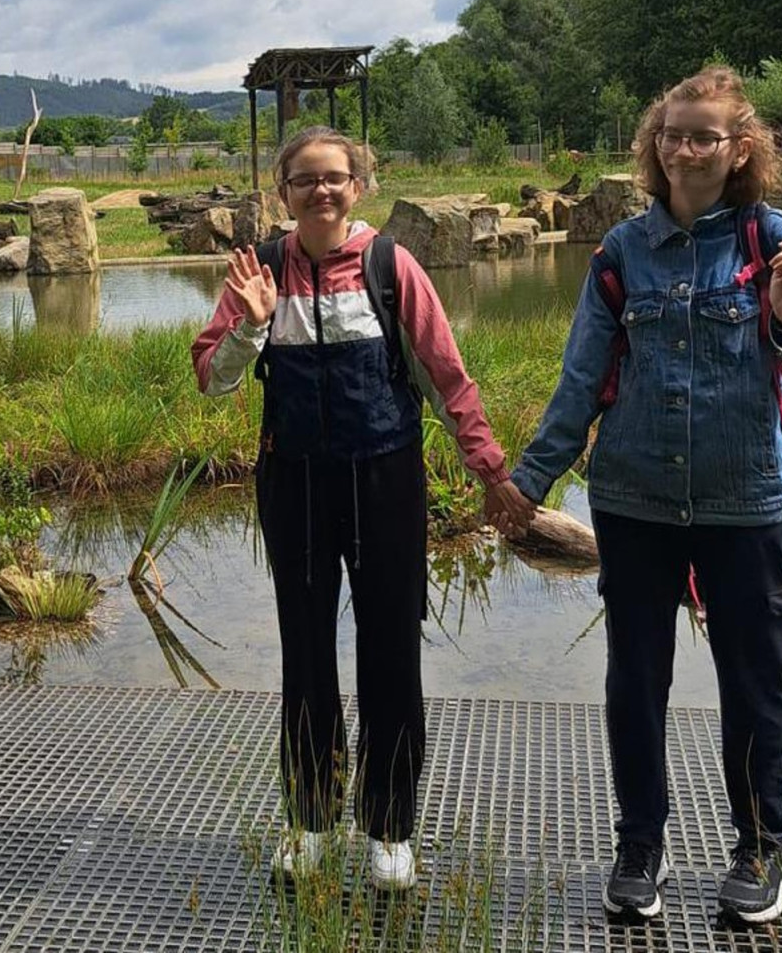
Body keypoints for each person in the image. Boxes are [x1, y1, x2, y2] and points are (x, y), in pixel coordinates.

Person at [509, 67, 782, 926]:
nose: (683, 148)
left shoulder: (771, 237)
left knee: (754, 683)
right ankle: (641, 846)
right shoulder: (621, 251)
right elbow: (582, 376)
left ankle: (760, 848)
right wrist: (529, 480)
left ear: (739, 148)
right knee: (636, 682)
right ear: (653, 144)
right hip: (634, 498)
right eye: (671, 133)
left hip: (748, 499)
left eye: (703, 135)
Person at [192, 126, 533, 891]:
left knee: (391, 653)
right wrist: (251, 324)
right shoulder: (261, 270)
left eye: (334, 177)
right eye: (305, 180)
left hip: (385, 480)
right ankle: (311, 821)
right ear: (283, 193)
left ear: (358, 186)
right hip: (295, 485)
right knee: (306, 653)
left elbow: (446, 377)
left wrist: (490, 471)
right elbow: (213, 378)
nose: (321, 190)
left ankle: (389, 830)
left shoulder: (389, 266)